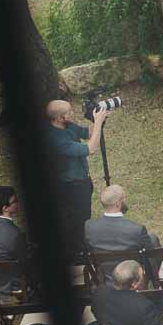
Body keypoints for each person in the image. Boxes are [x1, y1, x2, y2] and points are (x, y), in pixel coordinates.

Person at [46, 97, 110, 232]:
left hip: (83, 179)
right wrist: (98, 123)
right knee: (80, 218)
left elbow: (88, 133)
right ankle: (81, 244)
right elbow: (90, 149)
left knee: (84, 211)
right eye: (69, 112)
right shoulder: (56, 139)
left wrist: (96, 118)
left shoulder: (67, 125)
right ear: (59, 118)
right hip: (72, 186)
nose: (73, 113)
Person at [92, 259, 163, 325]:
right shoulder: (145, 306)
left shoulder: (99, 293)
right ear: (134, 284)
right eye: (143, 275)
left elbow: (95, 312)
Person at [85, 183, 161, 256]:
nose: (126, 200)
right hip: (130, 268)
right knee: (153, 239)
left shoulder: (89, 227)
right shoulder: (137, 230)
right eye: (124, 198)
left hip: (103, 269)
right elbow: (150, 255)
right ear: (118, 204)